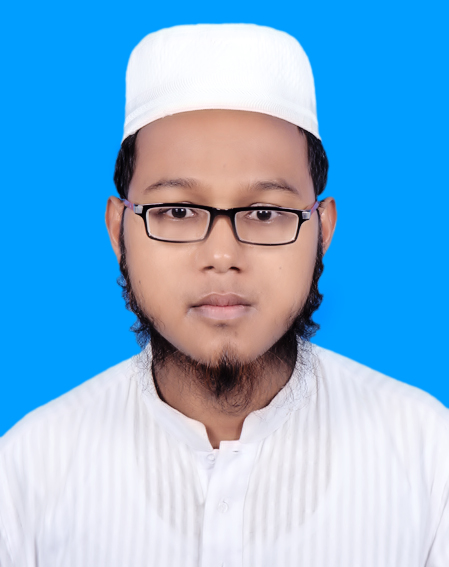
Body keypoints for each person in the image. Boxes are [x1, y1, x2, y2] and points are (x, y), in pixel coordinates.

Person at [0, 23, 448, 567]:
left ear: (322, 229)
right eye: (177, 211)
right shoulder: (27, 472)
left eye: (264, 212)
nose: (221, 254)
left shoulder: (429, 458)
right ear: (119, 230)